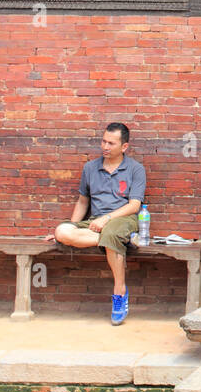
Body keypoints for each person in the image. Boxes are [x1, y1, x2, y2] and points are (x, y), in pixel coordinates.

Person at [53, 123, 146, 325]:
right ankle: (120, 242)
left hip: (123, 219)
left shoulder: (136, 169)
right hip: (94, 223)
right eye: (103, 141)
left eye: (111, 143)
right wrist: (73, 225)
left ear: (124, 147)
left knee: (112, 233)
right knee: (62, 231)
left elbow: (134, 206)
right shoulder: (90, 168)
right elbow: (82, 202)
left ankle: (120, 293)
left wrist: (107, 218)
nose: (105, 146)